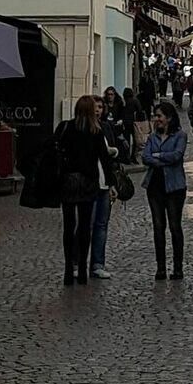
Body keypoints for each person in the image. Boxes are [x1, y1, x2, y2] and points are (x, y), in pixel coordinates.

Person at [55, 95, 118, 285]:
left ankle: (69, 269)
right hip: (88, 181)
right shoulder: (95, 131)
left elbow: (55, 150)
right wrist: (111, 182)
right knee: (84, 225)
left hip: (68, 180)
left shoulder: (65, 128)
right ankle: (82, 268)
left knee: (69, 226)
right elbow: (104, 160)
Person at [141, 98, 188, 280]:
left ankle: (178, 267)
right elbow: (145, 157)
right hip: (154, 187)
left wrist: (158, 155)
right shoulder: (152, 137)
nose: (156, 119)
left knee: (175, 227)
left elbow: (177, 156)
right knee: (158, 227)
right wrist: (161, 159)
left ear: (169, 118)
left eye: (159, 116)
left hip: (175, 187)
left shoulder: (180, 135)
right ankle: (160, 268)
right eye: (155, 116)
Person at [90, 96, 129, 279]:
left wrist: (112, 183)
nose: (98, 110)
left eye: (100, 107)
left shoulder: (105, 127)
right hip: (88, 184)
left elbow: (110, 155)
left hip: (104, 182)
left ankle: (98, 263)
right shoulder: (81, 128)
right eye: (95, 107)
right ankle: (77, 262)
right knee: (86, 225)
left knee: (101, 225)